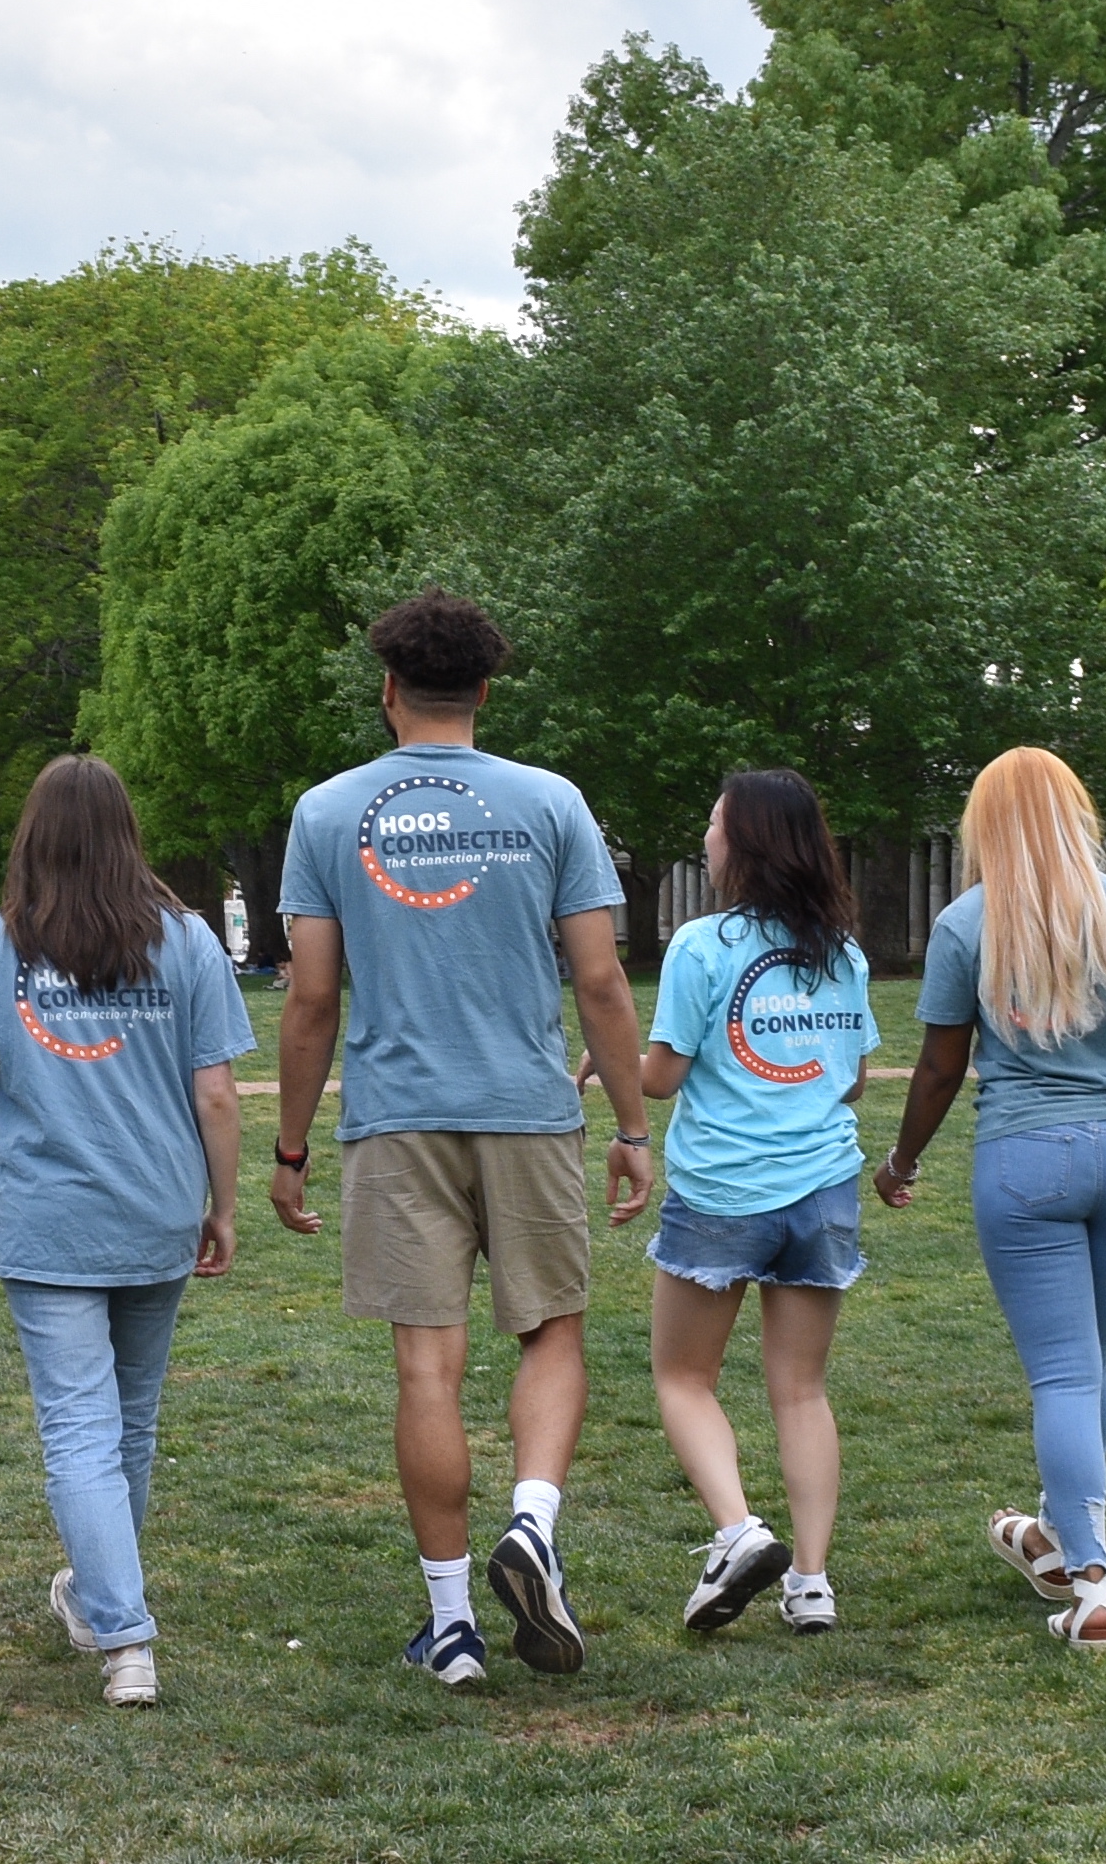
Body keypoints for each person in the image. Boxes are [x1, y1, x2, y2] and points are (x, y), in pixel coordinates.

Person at [267, 588, 652, 1689]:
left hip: (395, 1119)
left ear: (387, 690)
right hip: (528, 1108)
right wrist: (630, 1125)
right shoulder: (551, 802)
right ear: (483, 691)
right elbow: (599, 978)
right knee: (550, 1331)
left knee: (425, 1364)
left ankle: (450, 1626)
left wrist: (290, 1148)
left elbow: (310, 999)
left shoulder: (329, 812)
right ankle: (531, 1525)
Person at [874, 746, 1106, 1653]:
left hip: (1024, 1163)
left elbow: (939, 1067)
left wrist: (902, 1162)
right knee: (1089, 1361)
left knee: (1066, 1373)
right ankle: (1050, 1539)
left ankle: (1088, 1579)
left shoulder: (964, 924)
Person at [0, 754, 252, 1710]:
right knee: (126, 1425)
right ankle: (107, 1606)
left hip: (49, 1220)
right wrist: (220, 1207)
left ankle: (122, 1634)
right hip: (154, 1210)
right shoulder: (185, 944)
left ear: (33, 837)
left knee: (81, 1428)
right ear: (124, 836)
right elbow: (217, 1094)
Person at [641, 770, 880, 1639]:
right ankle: (810, 1583)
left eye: (712, 823)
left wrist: (613, 1064)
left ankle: (738, 1531)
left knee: (681, 1376)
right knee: (801, 1389)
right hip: (823, 1190)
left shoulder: (700, 946)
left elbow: (662, 1078)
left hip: (719, 1191)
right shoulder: (842, 953)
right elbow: (850, 1083)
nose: (704, 837)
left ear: (742, 843)